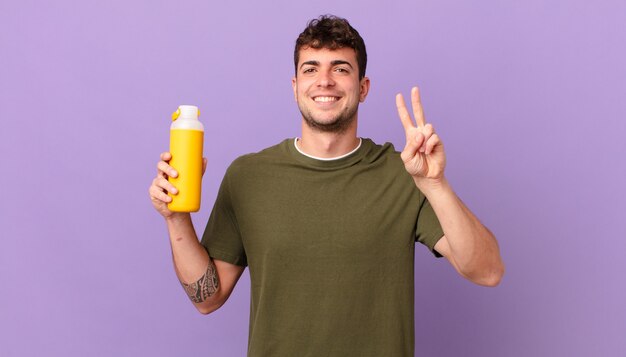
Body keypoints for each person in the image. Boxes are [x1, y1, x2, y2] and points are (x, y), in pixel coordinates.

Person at [149, 15, 504, 357]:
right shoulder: (248, 176)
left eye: (340, 68)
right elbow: (207, 298)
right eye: (311, 68)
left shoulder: (405, 175)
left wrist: (435, 184)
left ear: (363, 88)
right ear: (295, 87)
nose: (325, 81)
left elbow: (487, 271)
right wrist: (175, 218)